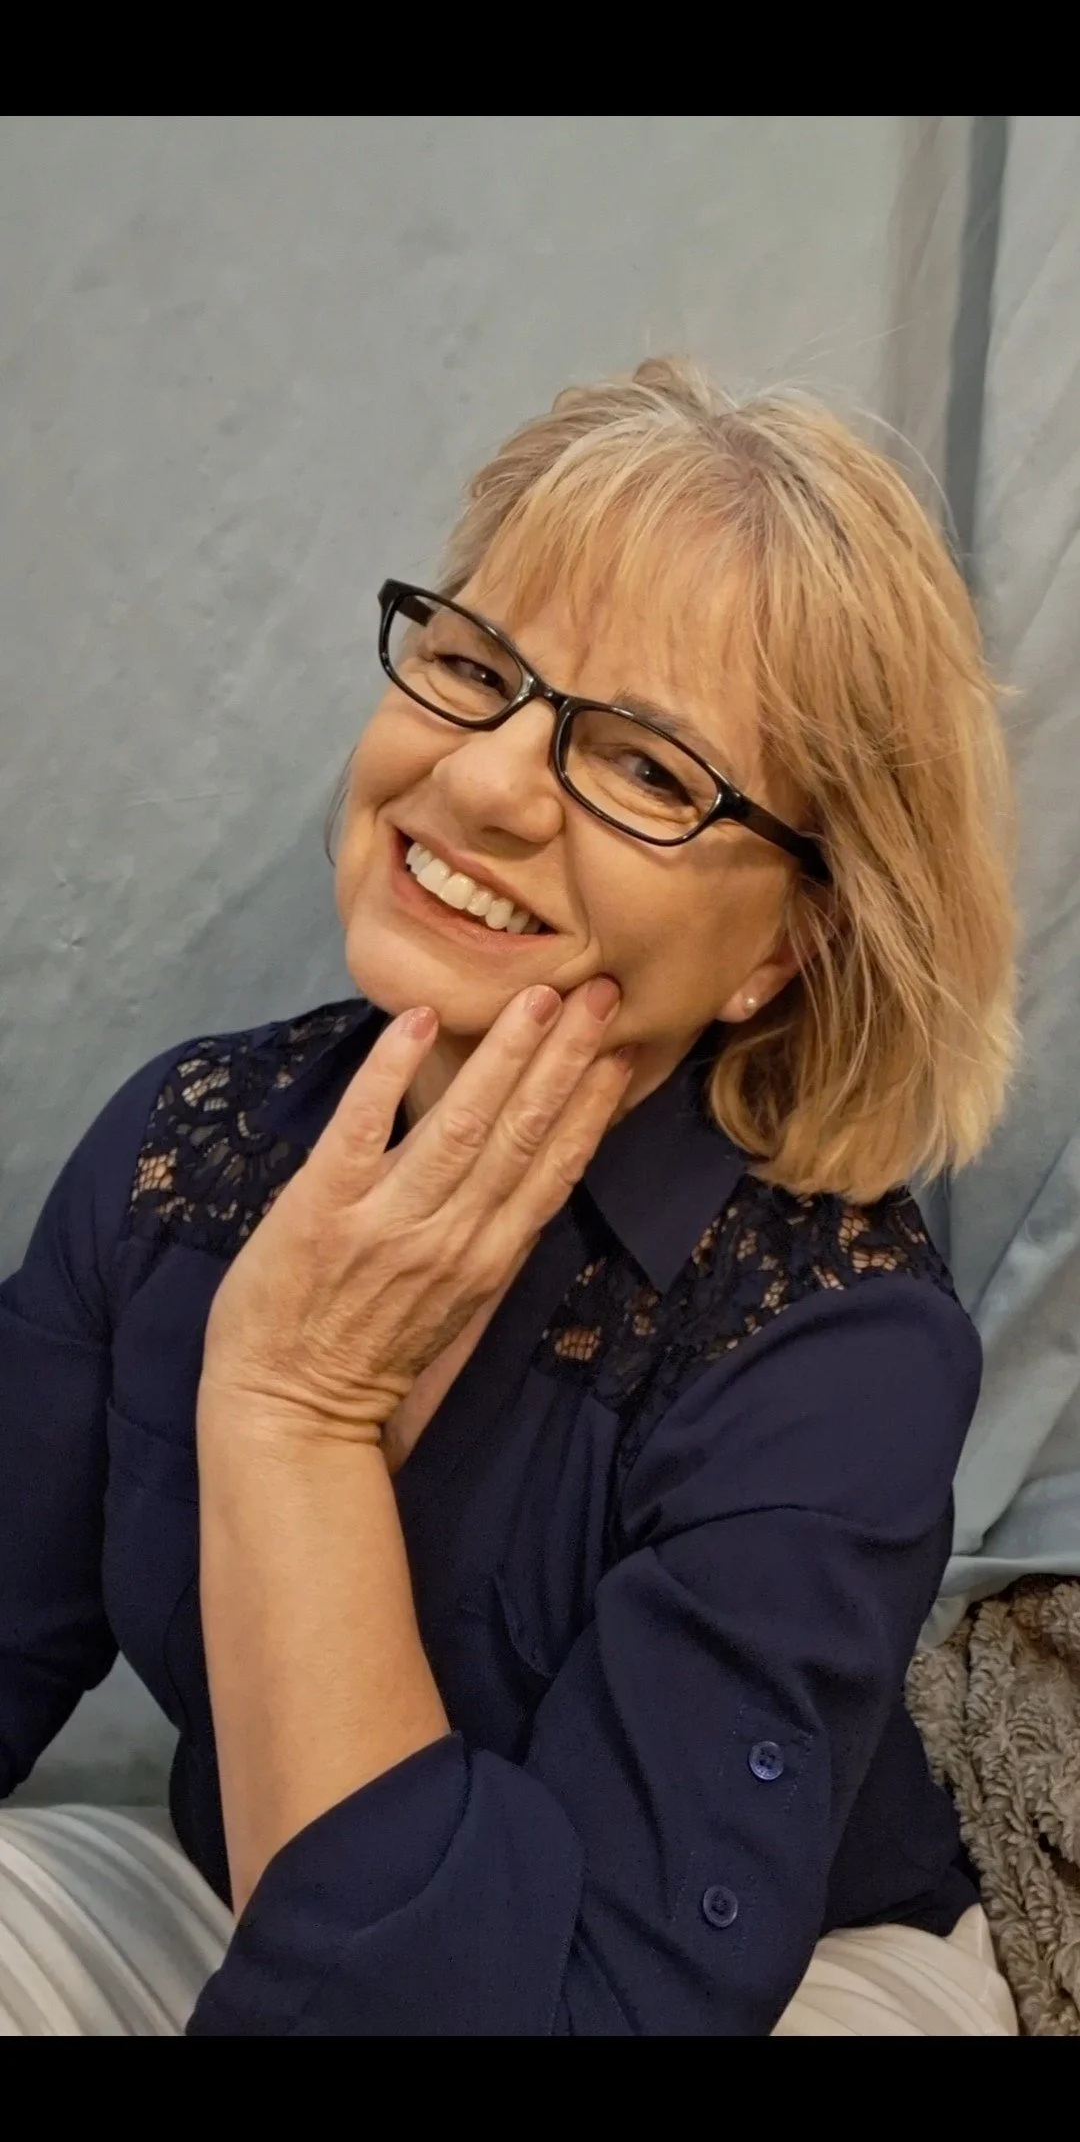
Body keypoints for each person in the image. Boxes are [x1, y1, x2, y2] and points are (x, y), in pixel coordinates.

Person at [0, 358, 1020, 2036]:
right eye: (476, 666)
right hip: (252, 1901)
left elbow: (565, 2011)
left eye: (647, 770)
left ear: (788, 943)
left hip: (734, 1992)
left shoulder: (836, 1350)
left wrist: (298, 1412)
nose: (481, 784)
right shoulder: (192, 1149)